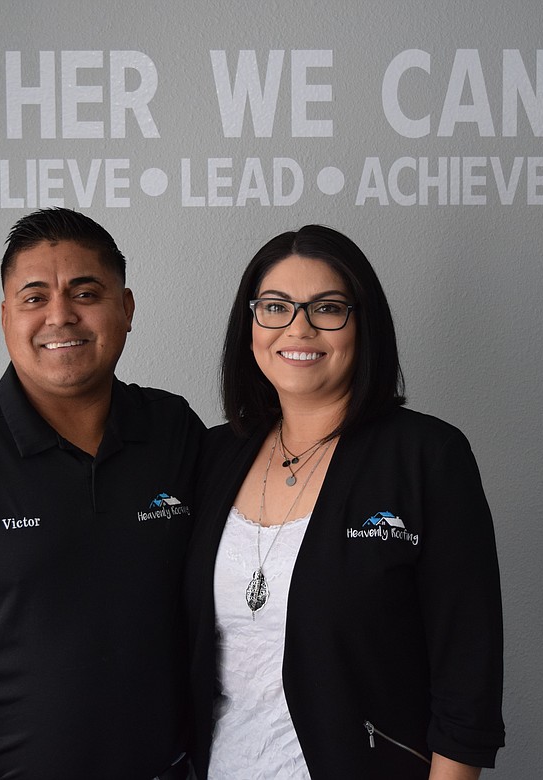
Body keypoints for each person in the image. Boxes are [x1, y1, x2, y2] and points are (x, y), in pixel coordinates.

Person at [0, 208, 202, 780]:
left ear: (125, 309)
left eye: (85, 291)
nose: (60, 316)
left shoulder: (175, 431)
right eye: (33, 297)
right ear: (5, 318)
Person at [184, 225, 505, 779]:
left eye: (328, 307)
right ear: (250, 324)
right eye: (276, 307)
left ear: (364, 324)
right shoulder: (212, 455)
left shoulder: (427, 457)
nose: (299, 328)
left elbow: (467, 672)